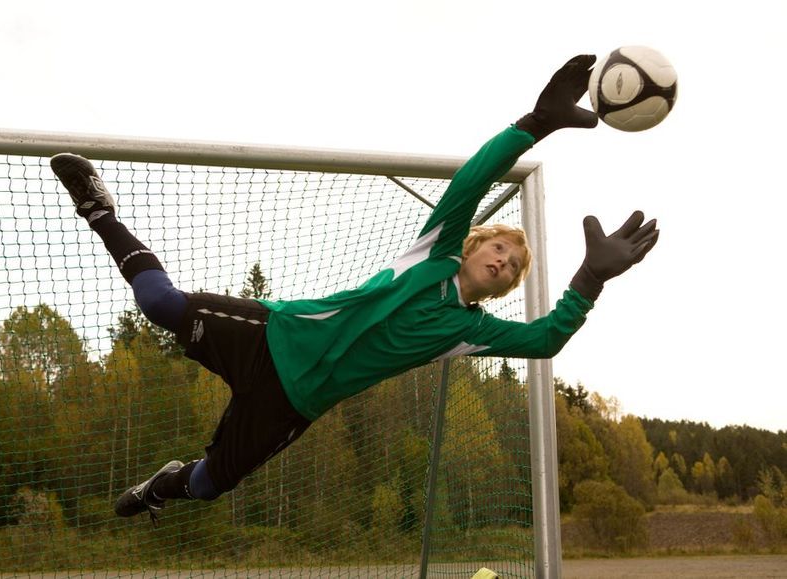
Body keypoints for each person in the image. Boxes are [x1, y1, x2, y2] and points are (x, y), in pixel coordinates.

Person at [49, 54, 659, 525]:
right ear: (473, 246)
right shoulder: (435, 250)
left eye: (514, 264)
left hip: (292, 406)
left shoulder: (469, 332)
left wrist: (589, 280)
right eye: (500, 246)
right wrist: (536, 124)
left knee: (210, 485)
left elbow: (547, 339)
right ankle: (98, 208)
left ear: (503, 288)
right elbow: (474, 180)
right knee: (160, 303)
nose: (504, 259)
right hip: (276, 337)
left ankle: (160, 486)